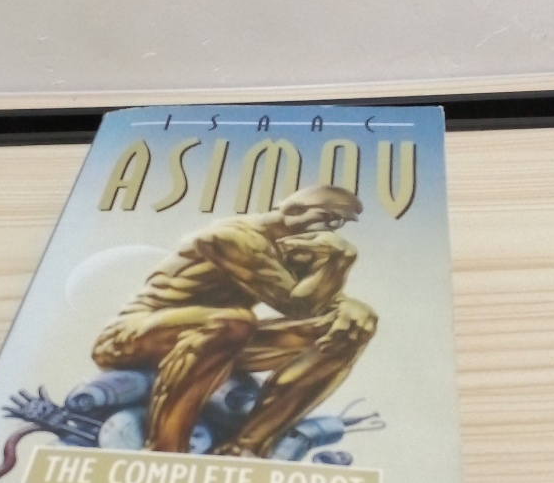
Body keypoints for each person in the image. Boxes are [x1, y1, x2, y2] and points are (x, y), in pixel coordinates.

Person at [91, 184, 377, 456]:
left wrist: (352, 308)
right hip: (133, 335)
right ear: (294, 210)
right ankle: (165, 450)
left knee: (352, 325)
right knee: (234, 321)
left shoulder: (292, 249)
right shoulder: (233, 237)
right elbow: (299, 305)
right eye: (327, 219)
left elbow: (319, 301)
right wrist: (338, 261)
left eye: (338, 224)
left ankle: (246, 446)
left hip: (217, 341)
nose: (331, 231)